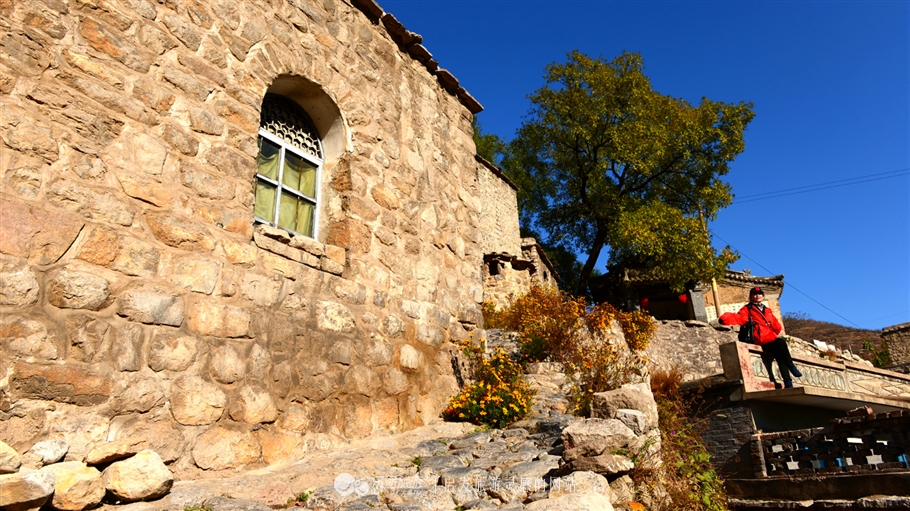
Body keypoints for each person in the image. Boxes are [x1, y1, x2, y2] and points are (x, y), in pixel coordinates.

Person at [719, 286, 802, 389]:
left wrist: (775, 328)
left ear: (763, 296)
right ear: (751, 297)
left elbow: (776, 325)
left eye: (759, 294)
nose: (757, 296)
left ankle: (788, 381)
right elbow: (740, 317)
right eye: (755, 294)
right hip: (760, 338)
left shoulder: (767, 310)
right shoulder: (748, 308)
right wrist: (725, 319)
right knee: (781, 343)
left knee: (780, 355)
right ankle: (791, 366)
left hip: (770, 337)